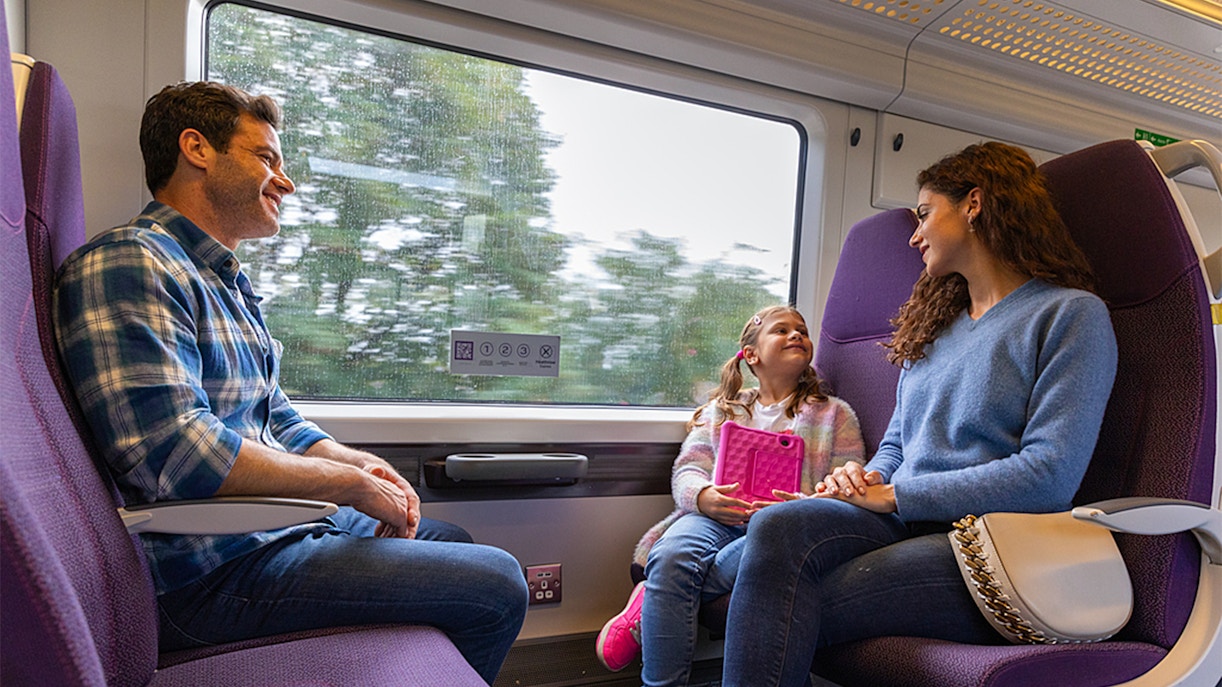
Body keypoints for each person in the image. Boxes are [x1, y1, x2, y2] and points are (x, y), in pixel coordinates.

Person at [53, 81, 528, 683]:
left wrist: (360, 465)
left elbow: (275, 417)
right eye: (266, 159)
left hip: (270, 526)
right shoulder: (130, 261)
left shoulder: (225, 282)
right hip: (210, 567)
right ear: (197, 149)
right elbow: (174, 454)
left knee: (451, 538)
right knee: (497, 584)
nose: (286, 181)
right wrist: (345, 485)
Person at [719, 142, 1119, 687]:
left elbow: (1049, 475)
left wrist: (898, 494)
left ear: (974, 204)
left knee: (791, 599)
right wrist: (870, 476)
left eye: (926, 213)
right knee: (775, 525)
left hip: (986, 541)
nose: (915, 234)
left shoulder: (1070, 315)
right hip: (902, 520)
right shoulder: (934, 332)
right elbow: (899, 445)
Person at [595, 306, 865, 686]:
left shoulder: (835, 415)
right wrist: (704, 497)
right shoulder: (722, 412)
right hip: (712, 517)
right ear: (752, 355)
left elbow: (845, 484)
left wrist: (801, 507)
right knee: (671, 555)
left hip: (778, 528)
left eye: (802, 331)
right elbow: (689, 467)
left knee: (683, 573)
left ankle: (650, 599)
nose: (796, 336)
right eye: (782, 330)